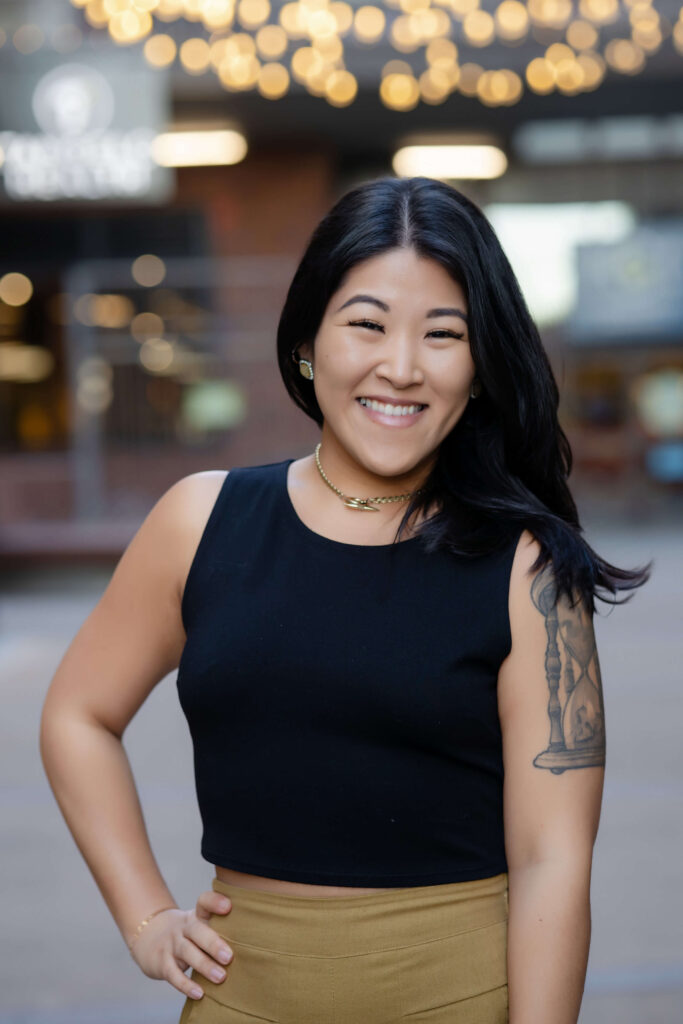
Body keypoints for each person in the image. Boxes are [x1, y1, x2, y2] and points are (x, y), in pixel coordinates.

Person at [40, 175, 651, 1024]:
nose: (398, 368)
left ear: (478, 369)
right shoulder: (199, 520)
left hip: (459, 997)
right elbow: (77, 714)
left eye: (443, 335)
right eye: (365, 324)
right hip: (237, 998)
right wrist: (144, 917)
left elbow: (553, 857)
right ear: (308, 343)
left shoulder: (529, 571)